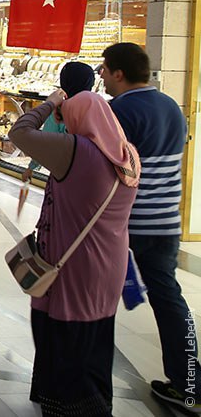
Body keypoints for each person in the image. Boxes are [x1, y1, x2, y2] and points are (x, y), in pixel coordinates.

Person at [8, 90, 139, 416]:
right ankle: (94, 402)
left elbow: (19, 133)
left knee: (64, 343)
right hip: (110, 263)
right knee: (95, 340)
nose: (65, 127)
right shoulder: (127, 154)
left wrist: (51, 103)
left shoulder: (77, 151)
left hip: (74, 267)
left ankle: (76, 408)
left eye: (68, 120)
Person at [99, 43, 197, 413]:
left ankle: (91, 383)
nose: (102, 76)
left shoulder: (119, 111)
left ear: (119, 73)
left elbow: (103, 169)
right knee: (170, 299)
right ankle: (189, 384)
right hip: (166, 223)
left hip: (126, 225)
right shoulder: (172, 106)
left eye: (104, 69)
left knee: (99, 300)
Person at [21, 61, 96, 182]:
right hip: (93, 173)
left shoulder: (61, 111)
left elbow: (46, 143)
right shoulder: (98, 108)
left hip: (66, 173)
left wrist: (31, 168)